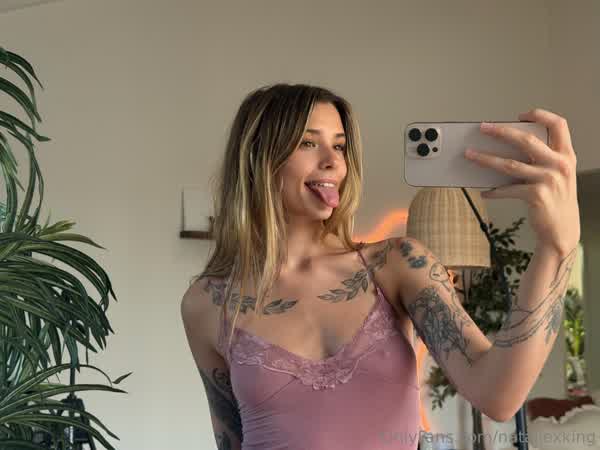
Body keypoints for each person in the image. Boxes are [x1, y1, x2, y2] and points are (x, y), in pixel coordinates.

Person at [180, 83, 580, 450]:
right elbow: (230, 441)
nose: (333, 162)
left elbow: (499, 395)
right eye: (308, 143)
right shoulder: (207, 303)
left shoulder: (397, 265)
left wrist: (555, 248)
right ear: (257, 158)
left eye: (339, 146)